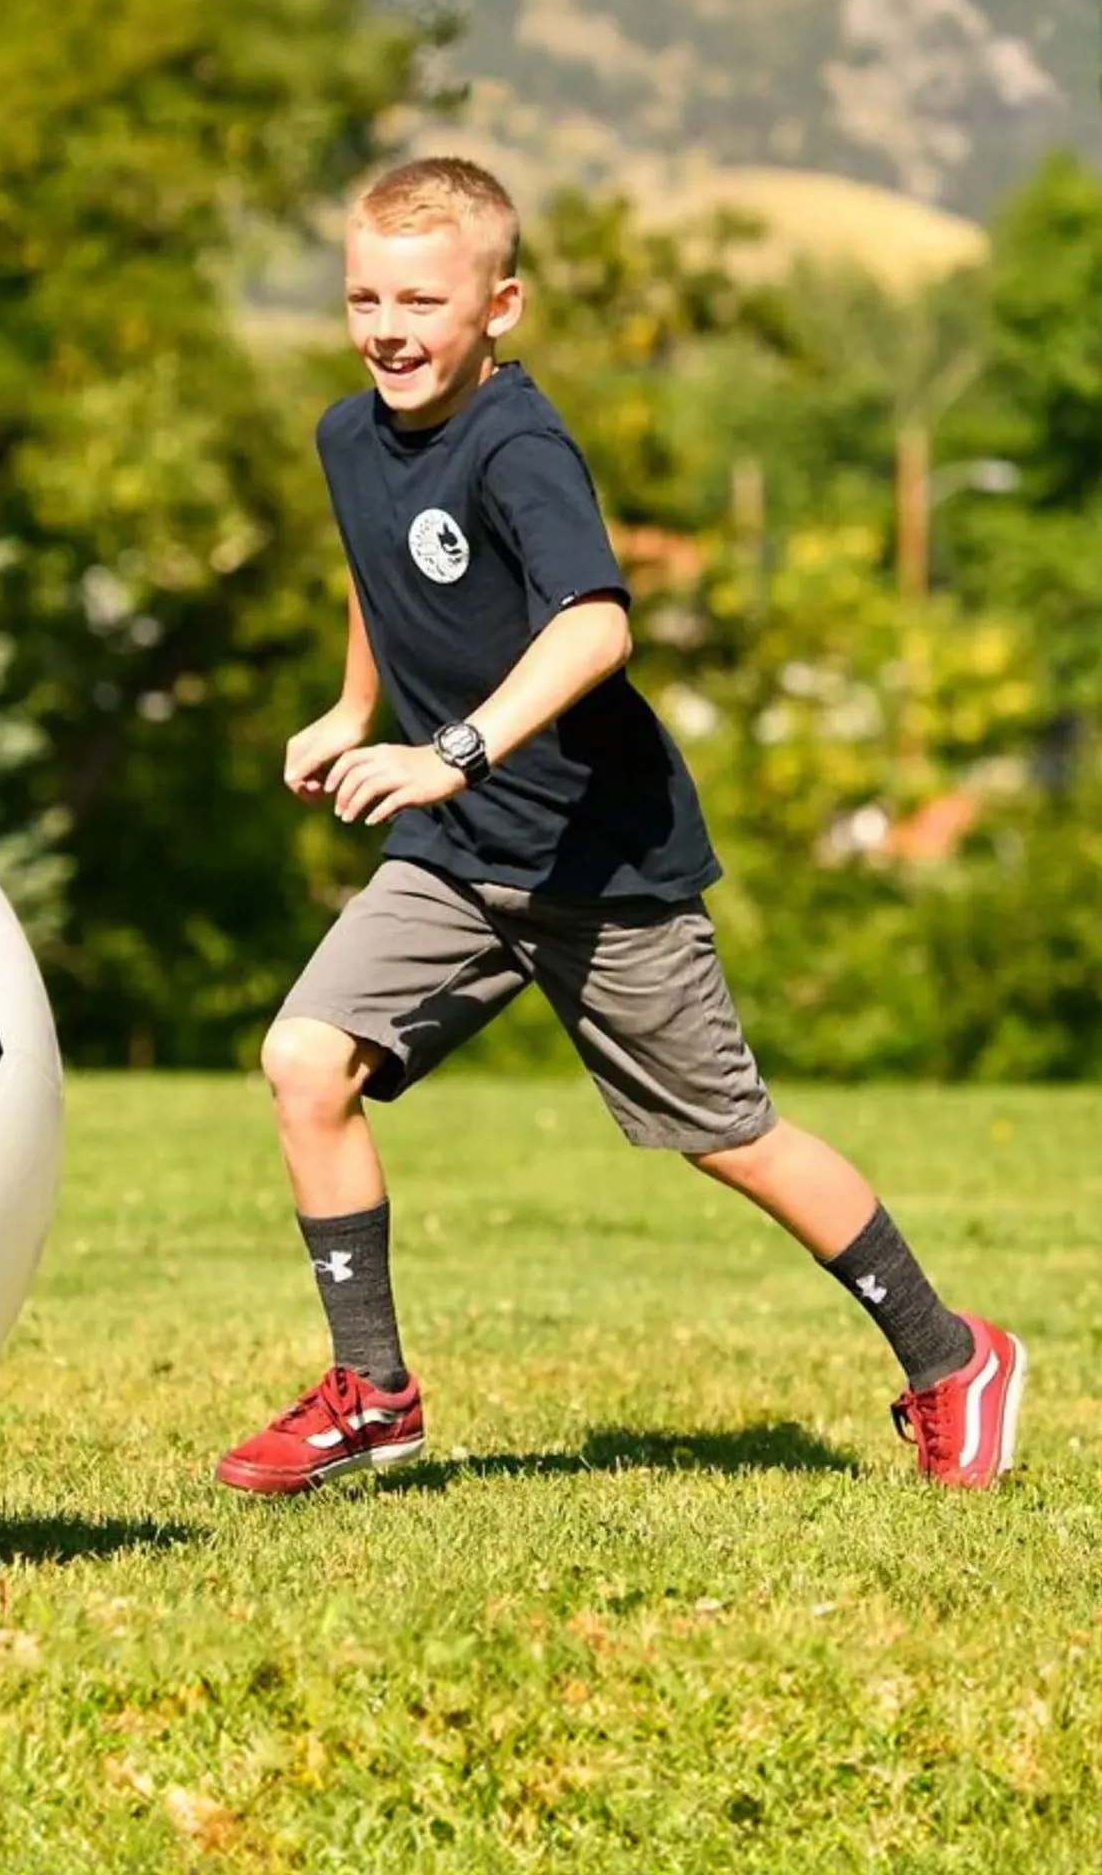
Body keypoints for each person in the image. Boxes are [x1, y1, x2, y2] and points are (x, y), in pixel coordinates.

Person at [215, 157, 1024, 1497]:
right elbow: (378, 570)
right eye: (364, 296)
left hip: (601, 861)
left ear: (502, 305)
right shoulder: (348, 437)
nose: (389, 328)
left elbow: (596, 622)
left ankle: (952, 1360)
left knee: (729, 1136)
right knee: (306, 1059)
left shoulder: (520, 445)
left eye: (424, 298)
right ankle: (373, 1390)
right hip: (457, 855)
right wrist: (353, 707)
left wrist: (453, 750)